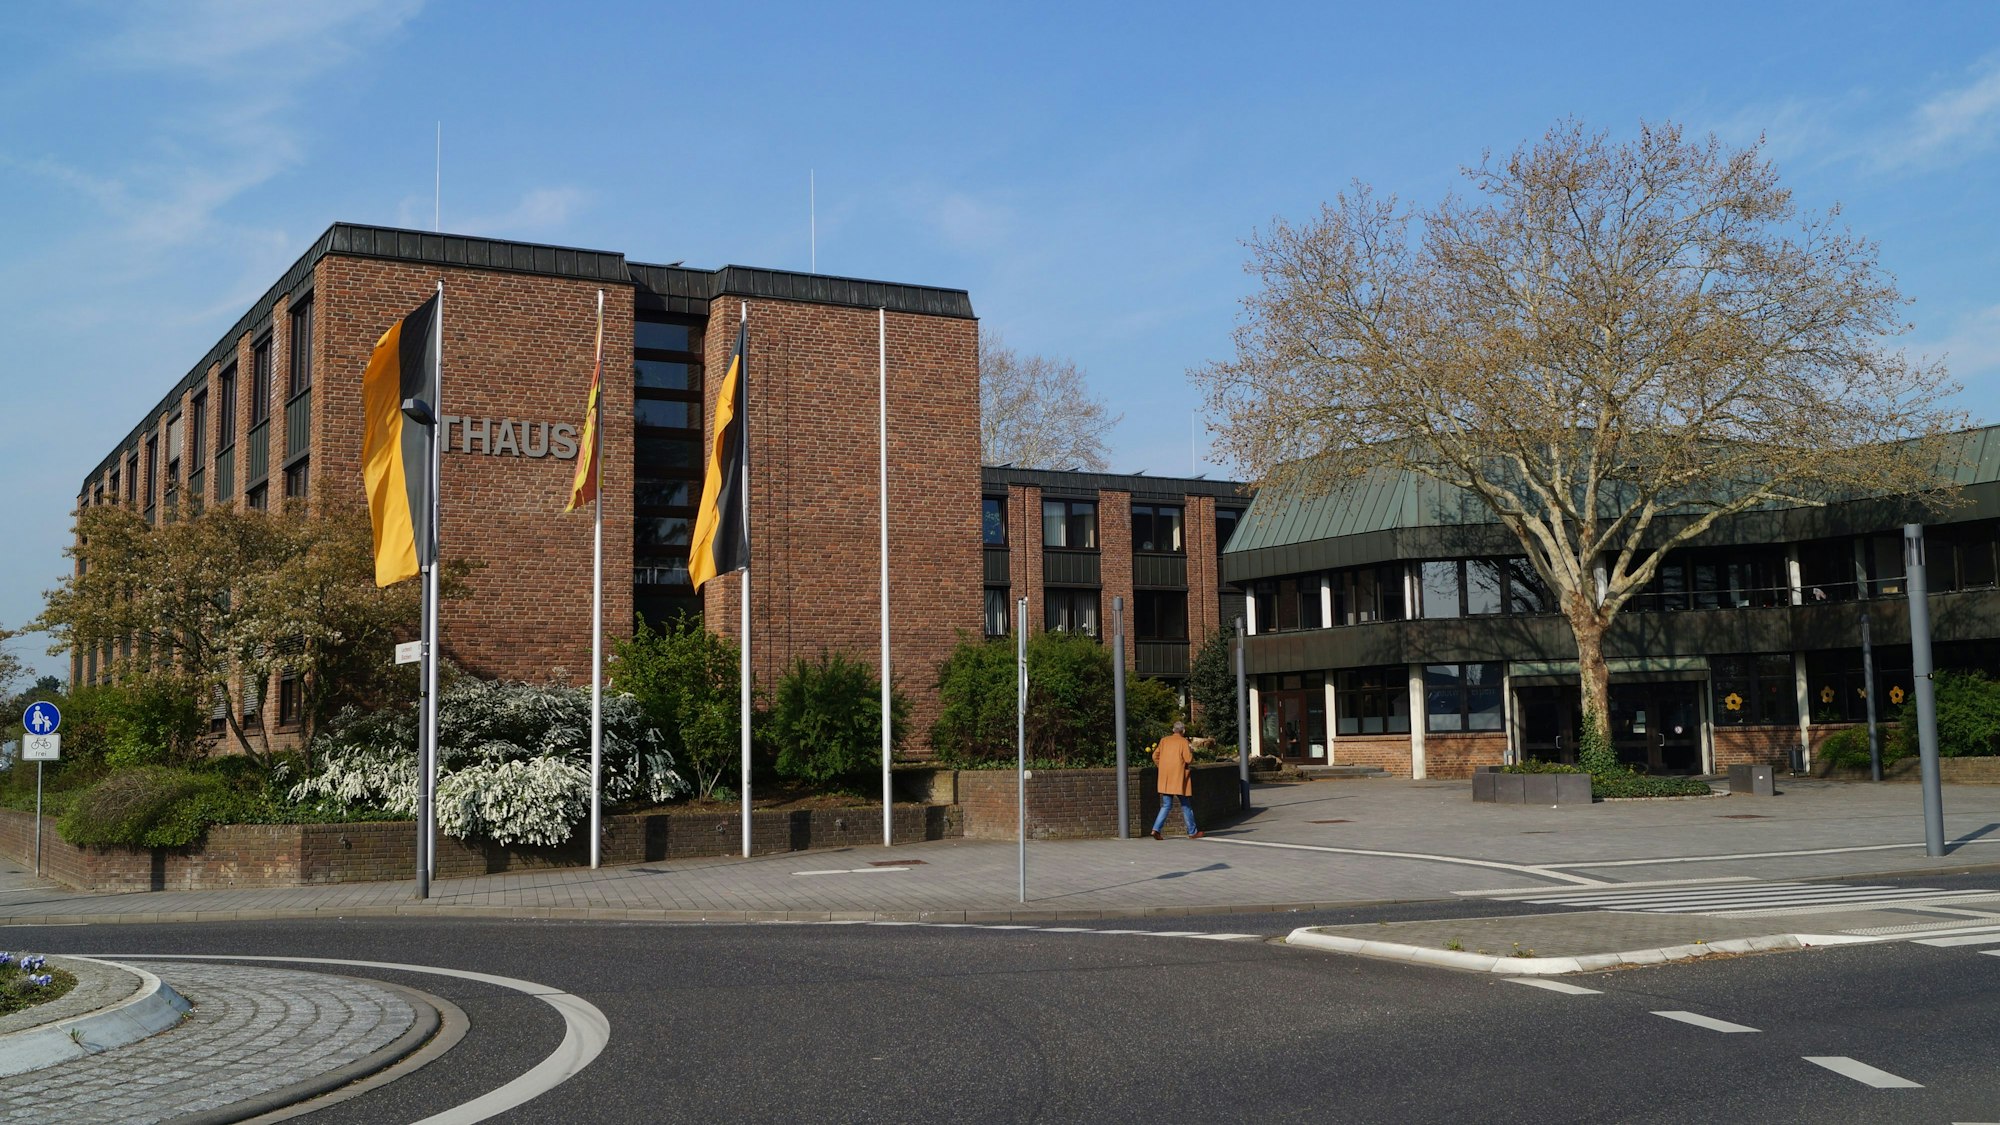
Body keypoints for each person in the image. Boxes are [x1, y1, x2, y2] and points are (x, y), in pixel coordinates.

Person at [1151, 721, 1201, 840]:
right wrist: (1191, 751)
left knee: (1166, 805)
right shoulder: (1183, 742)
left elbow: (1154, 756)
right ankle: (1192, 831)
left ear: (1173, 730)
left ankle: (1156, 829)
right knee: (1185, 805)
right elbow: (1188, 759)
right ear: (1183, 731)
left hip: (1166, 777)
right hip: (1179, 778)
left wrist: (1161, 766)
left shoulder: (1164, 740)